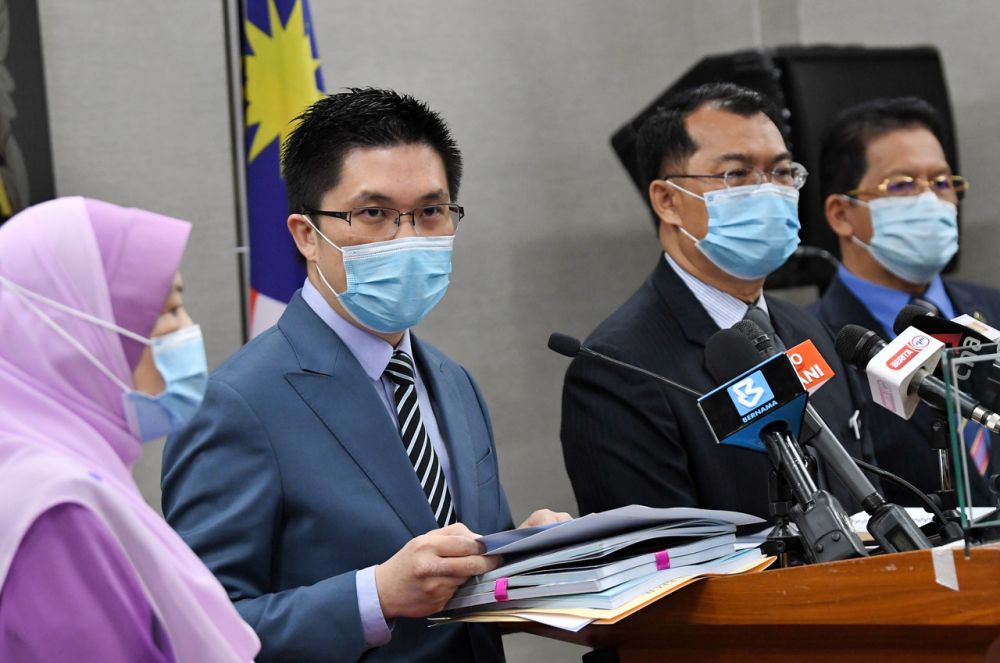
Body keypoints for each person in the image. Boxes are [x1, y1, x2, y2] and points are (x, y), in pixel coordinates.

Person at [161, 88, 569, 662]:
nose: (407, 238)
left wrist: (532, 557)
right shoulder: (236, 403)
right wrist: (373, 597)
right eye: (373, 213)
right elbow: (197, 629)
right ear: (307, 235)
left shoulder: (453, 381)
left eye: (430, 211)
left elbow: (467, 586)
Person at [560, 82, 875, 521]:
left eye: (782, 173)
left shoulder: (809, 331)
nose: (768, 191)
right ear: (667, 200)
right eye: (737, 174)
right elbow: (663, 563)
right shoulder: (617, 369)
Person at [0, 197, 259, 662]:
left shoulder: (46, 472)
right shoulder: (56, 509)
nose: (189, 329)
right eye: (168, 312)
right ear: (74, 338)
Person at [813, 96, 1000, 505]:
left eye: (942, 183)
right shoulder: (814, 343)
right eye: (901, 185)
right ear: (842, 214)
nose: (930, 201)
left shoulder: (994, 306)